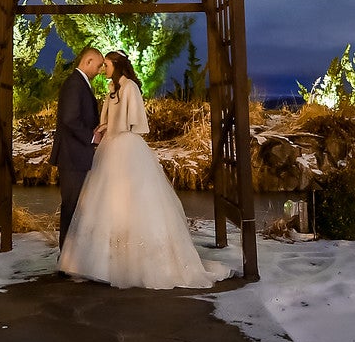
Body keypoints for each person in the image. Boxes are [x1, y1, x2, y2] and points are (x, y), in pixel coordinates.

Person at [59, 51, 230, 289]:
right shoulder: (110, 88)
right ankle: (100, 261)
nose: (102, 70)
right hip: (108, 148)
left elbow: (136, 122)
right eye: (101, 65)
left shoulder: (130, 88)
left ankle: (135, 261)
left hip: (126, 146)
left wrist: (110, 126)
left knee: (132, 200)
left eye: (105, 65)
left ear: (116, 65)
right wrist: (103, 127)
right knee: (105, 203)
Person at [49, 47, 105, 250]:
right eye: (98, 66)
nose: (100, 70)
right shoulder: (75, 84)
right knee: (71, 208)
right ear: (88, 61)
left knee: (76, 208)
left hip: (76, 155)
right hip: (73, 156)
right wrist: (92, 136)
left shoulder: (80, 83)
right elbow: (70, 118)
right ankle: (67, 259)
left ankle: (74, 257)